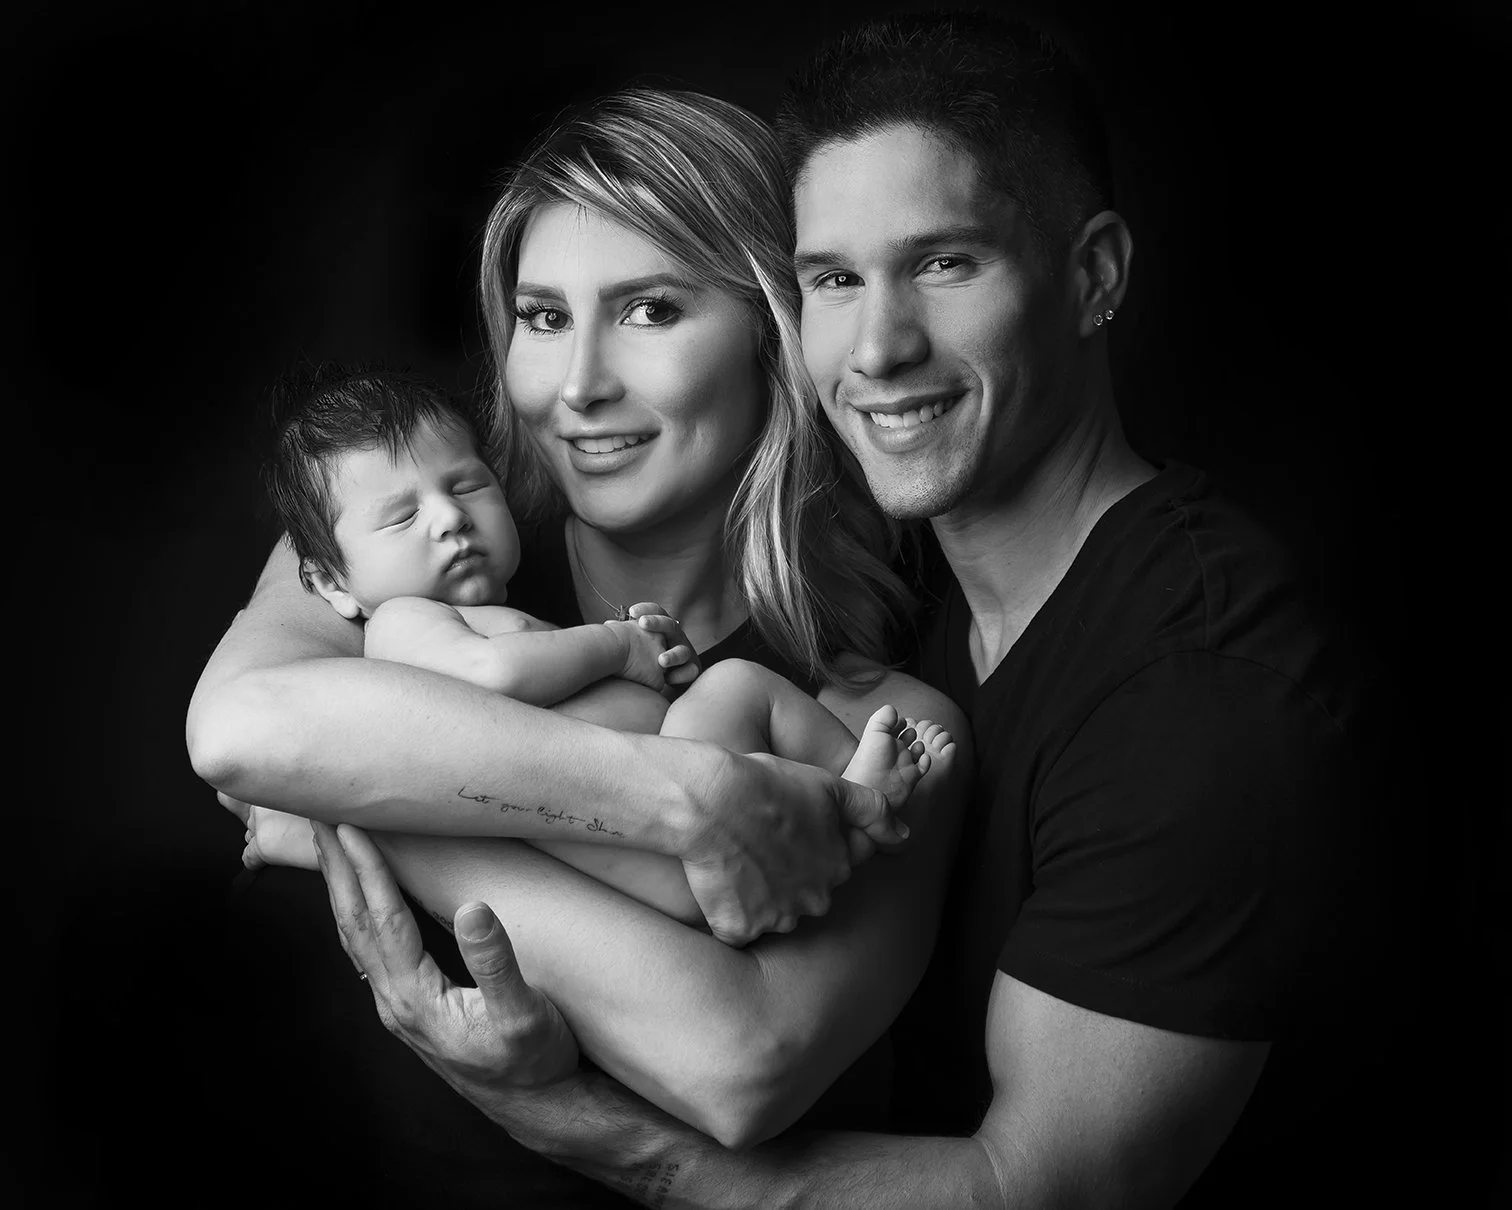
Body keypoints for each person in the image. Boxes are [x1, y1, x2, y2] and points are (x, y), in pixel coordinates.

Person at [310, 12, 1379, 1209]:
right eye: (835, 279)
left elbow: (1030, 1188)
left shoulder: (1160, 685)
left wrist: (553, 1103)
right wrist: (664, 797)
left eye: (945, 263)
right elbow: (243, 728)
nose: (879, 346)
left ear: (1095, 276)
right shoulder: (432, 539)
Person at [187, 85, 971, 1196]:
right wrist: (686, 799)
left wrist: (343, 802)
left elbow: (741, 1065)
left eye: (649, 310)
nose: (578, 387)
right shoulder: (396, 531)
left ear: (773, 331)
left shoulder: (884, 726)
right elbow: (240, 729)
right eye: (544, 318)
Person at [243, 361, 951, 930]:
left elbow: (578, 703)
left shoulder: (499, 614)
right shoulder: (402, 622)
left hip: (704, 812)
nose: (449, 519)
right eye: (402, 516)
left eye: (467, 485)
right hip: (659, 844)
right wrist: (617, 645)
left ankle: (846, 788)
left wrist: (662, 672)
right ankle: (851, 799)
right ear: (330, 583)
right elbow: (489, 675)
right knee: (737, 687)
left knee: (735, 687)